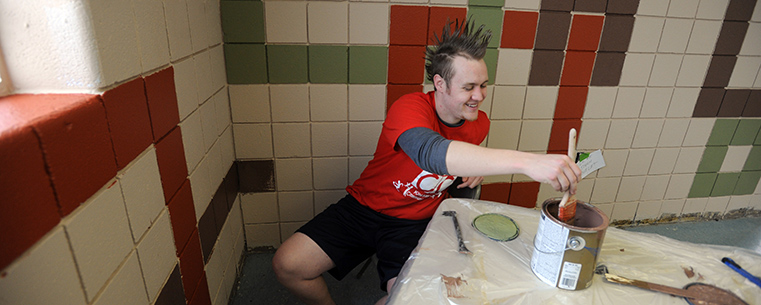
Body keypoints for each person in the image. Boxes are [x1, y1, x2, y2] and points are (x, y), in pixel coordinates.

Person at [272, 18, 582, 305]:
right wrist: (528, 163)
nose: (479, 96)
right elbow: (430, 153)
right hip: (363, 208)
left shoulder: (479, 123)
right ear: (441, 84)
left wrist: (471, 173)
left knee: (410, 298)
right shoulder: (409, 107)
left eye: (483, 85)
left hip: (416, 222)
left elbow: (456, 168)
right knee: (287, 265)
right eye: (468, 87)